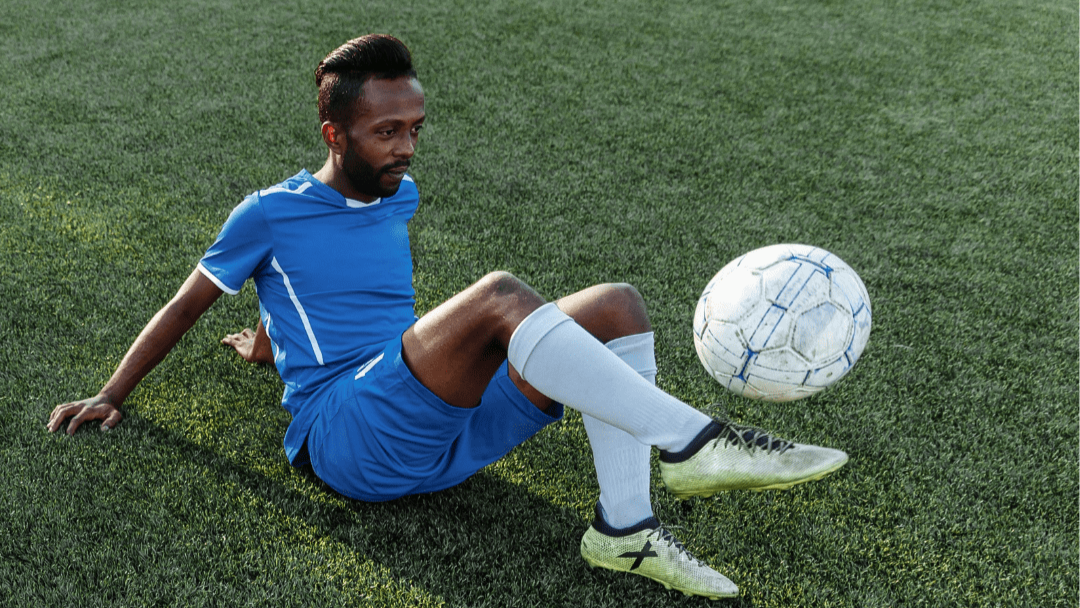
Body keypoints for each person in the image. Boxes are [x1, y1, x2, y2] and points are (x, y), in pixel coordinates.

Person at [47, 34, 848, 600]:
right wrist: (113, 392)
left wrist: (272, 345)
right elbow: (186, 306)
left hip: (445, 434)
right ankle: (694, 441)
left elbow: (332, 296)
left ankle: (626, 529)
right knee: (499, 294)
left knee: (616, 306)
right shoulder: (267, 215)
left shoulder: (400, 196)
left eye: (415, 130)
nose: (406, 148)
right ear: (335, 133)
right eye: (386, 132)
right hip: (350, 443)